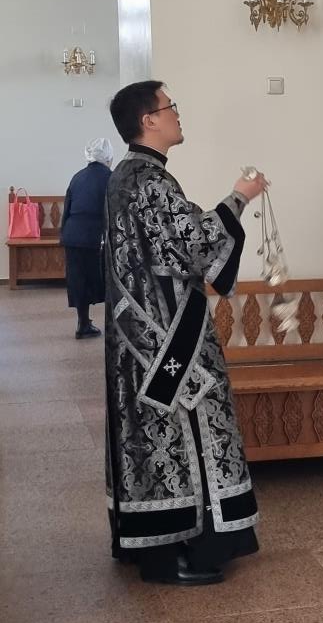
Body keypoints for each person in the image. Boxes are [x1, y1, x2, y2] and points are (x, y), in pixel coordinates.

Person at [104, 81, 267, 585]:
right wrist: (239, 198)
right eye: (169, 106)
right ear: (148, 120)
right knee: (186, 432)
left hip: (141, 340)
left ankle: (155, 546)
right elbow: (194, 247)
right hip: (170, 340)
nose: (177, 113)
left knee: (154, 442)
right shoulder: (150, 181)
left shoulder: (125, 177)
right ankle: (185, 553)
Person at [61, 137, 114, 339]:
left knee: (79, 280)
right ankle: (114, 327)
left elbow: (67, 209)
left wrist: (63, 235)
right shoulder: (111, 178)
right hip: (97, 238)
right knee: (109, 281)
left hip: (73, 236)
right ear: (108, 157)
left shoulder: (77, 177)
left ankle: (83, 324)